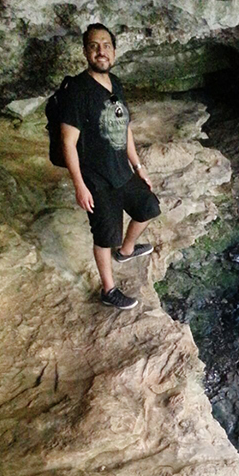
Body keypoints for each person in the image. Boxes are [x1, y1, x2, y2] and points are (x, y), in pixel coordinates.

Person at [60, 23, 161, 309]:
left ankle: (126, 251)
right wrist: (79, 185)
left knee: (148, 207)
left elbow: (123, 126)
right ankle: (108, 290)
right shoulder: (78, 91)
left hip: (121, 170)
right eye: (94, 45)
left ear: (114, 52)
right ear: (86, 52)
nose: (100, 50)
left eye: (105, 45)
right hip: (96, 178)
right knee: (105, 236)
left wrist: (139, 166)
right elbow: (68, 143)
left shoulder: (114, 83)